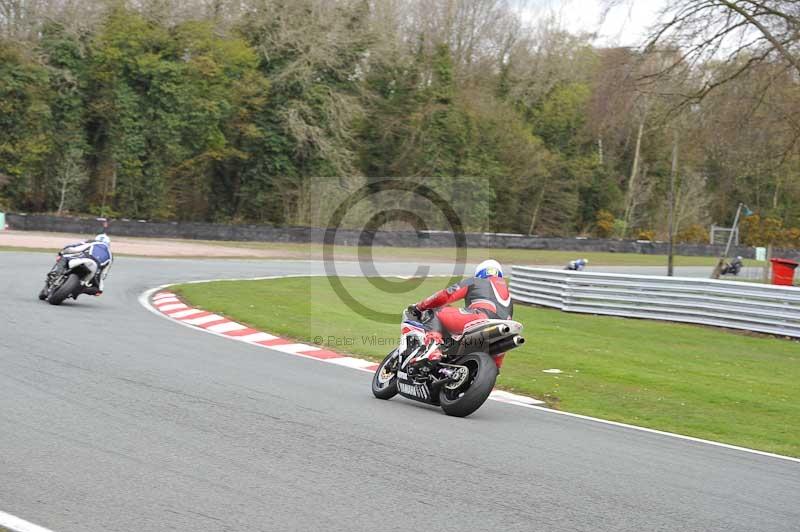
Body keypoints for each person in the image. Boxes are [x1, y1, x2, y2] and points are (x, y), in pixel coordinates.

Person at [407, 259, 513, 366]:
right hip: (503, 331)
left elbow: (445, 295)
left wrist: (420, 306)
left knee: (434, 310)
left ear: (480, 272)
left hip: (480, 318)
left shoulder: (475, 281)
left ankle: (432, 349)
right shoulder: (508, 294)